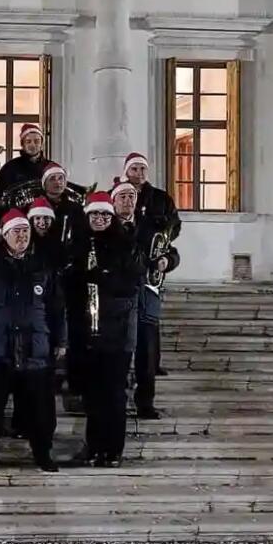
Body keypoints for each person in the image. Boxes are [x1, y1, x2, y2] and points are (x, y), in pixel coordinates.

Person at [0, 209, 66, 473]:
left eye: (25, 231)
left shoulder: (43, 265)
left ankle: (43, 453)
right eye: (15, 232)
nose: (21, 236)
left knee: (41, 409)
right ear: (4, 235)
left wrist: (61, 340)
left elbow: (56, 307)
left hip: (36, 348)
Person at [71, 191, 145, 468]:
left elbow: (132, 283)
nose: (99, 219)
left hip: (116, 331)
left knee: (113, 394)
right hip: (87, 332)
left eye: (104, 214)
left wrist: (102, 280)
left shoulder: (125, 244)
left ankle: (113, 449)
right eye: (94, 214)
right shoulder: (79, 244)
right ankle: (94, 447)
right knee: (92, 395)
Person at [113, 177, 180, 420]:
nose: (128, 201)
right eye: (123, 196)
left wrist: (167, 262)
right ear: (114, 201)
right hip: (119, 302)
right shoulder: (105, 226)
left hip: (146, 297)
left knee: (147, 357)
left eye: (132, 196)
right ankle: (117, 402)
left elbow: (171, 252)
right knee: (118, 357)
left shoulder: (150, 227)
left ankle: (145, 404)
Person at [122, 152, 182, 378]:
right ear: (126, 171)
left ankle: (151, 365)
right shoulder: (118, 195)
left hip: (151, 264)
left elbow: (174, 226)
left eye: (142, 169)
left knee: (150, 321)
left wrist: (163, 248)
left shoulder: (161, 198)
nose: (138, 174)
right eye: (134, 169)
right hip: (128, 267)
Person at [0, 123, 47, 198]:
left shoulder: (50, 167)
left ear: (41, 144)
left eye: (36, 141)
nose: (32, 145)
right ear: (22, 144)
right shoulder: (9, 168)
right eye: (28, 141)